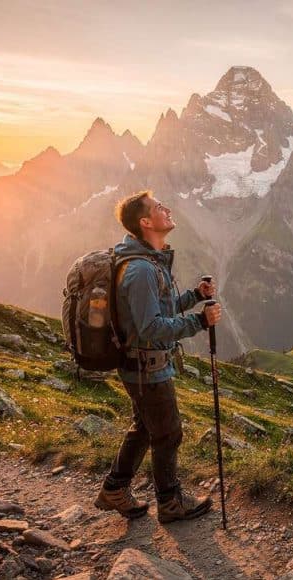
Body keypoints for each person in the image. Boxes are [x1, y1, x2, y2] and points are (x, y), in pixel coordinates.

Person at [93, 190, 222, 523]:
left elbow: (157, 309)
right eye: (158, 207)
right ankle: (170, 502)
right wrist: (199, 322)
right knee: (168, 433)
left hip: (141, 365)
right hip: (147, 368)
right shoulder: (141, 270)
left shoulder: (148, 262)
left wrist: (194, 296)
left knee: (145, 429)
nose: (167, 208)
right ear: (145, 222)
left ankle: (114, 489)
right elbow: (150, 327)